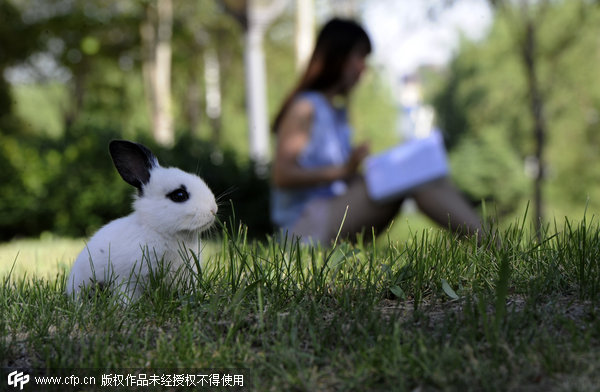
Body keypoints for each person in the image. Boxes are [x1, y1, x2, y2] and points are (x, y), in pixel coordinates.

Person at [270, 18, 482, 245]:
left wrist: (363, 172)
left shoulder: (335, 110)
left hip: (329, 213)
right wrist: (343, 171)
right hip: (304, 228)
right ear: (338, 56)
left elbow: (338, 179)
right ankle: (493, 247)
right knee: (414, 174)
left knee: (424, 172)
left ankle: (492, 244)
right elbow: (282, 176)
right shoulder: (305, 108)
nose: (363, 67)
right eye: (359, 56)